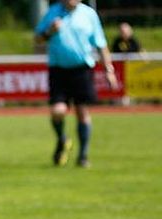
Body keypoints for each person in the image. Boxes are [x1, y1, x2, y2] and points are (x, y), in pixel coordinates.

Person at [35, 0, 119, 168]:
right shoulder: (52, 13)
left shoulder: (88, 14)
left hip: (82, 70)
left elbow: (101, 44)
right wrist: (49, 32)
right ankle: (62, 139)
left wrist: (109, 70)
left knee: (82, 111)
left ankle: (83, 155)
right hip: (58, 69)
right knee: (57, 111)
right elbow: (37, 39)